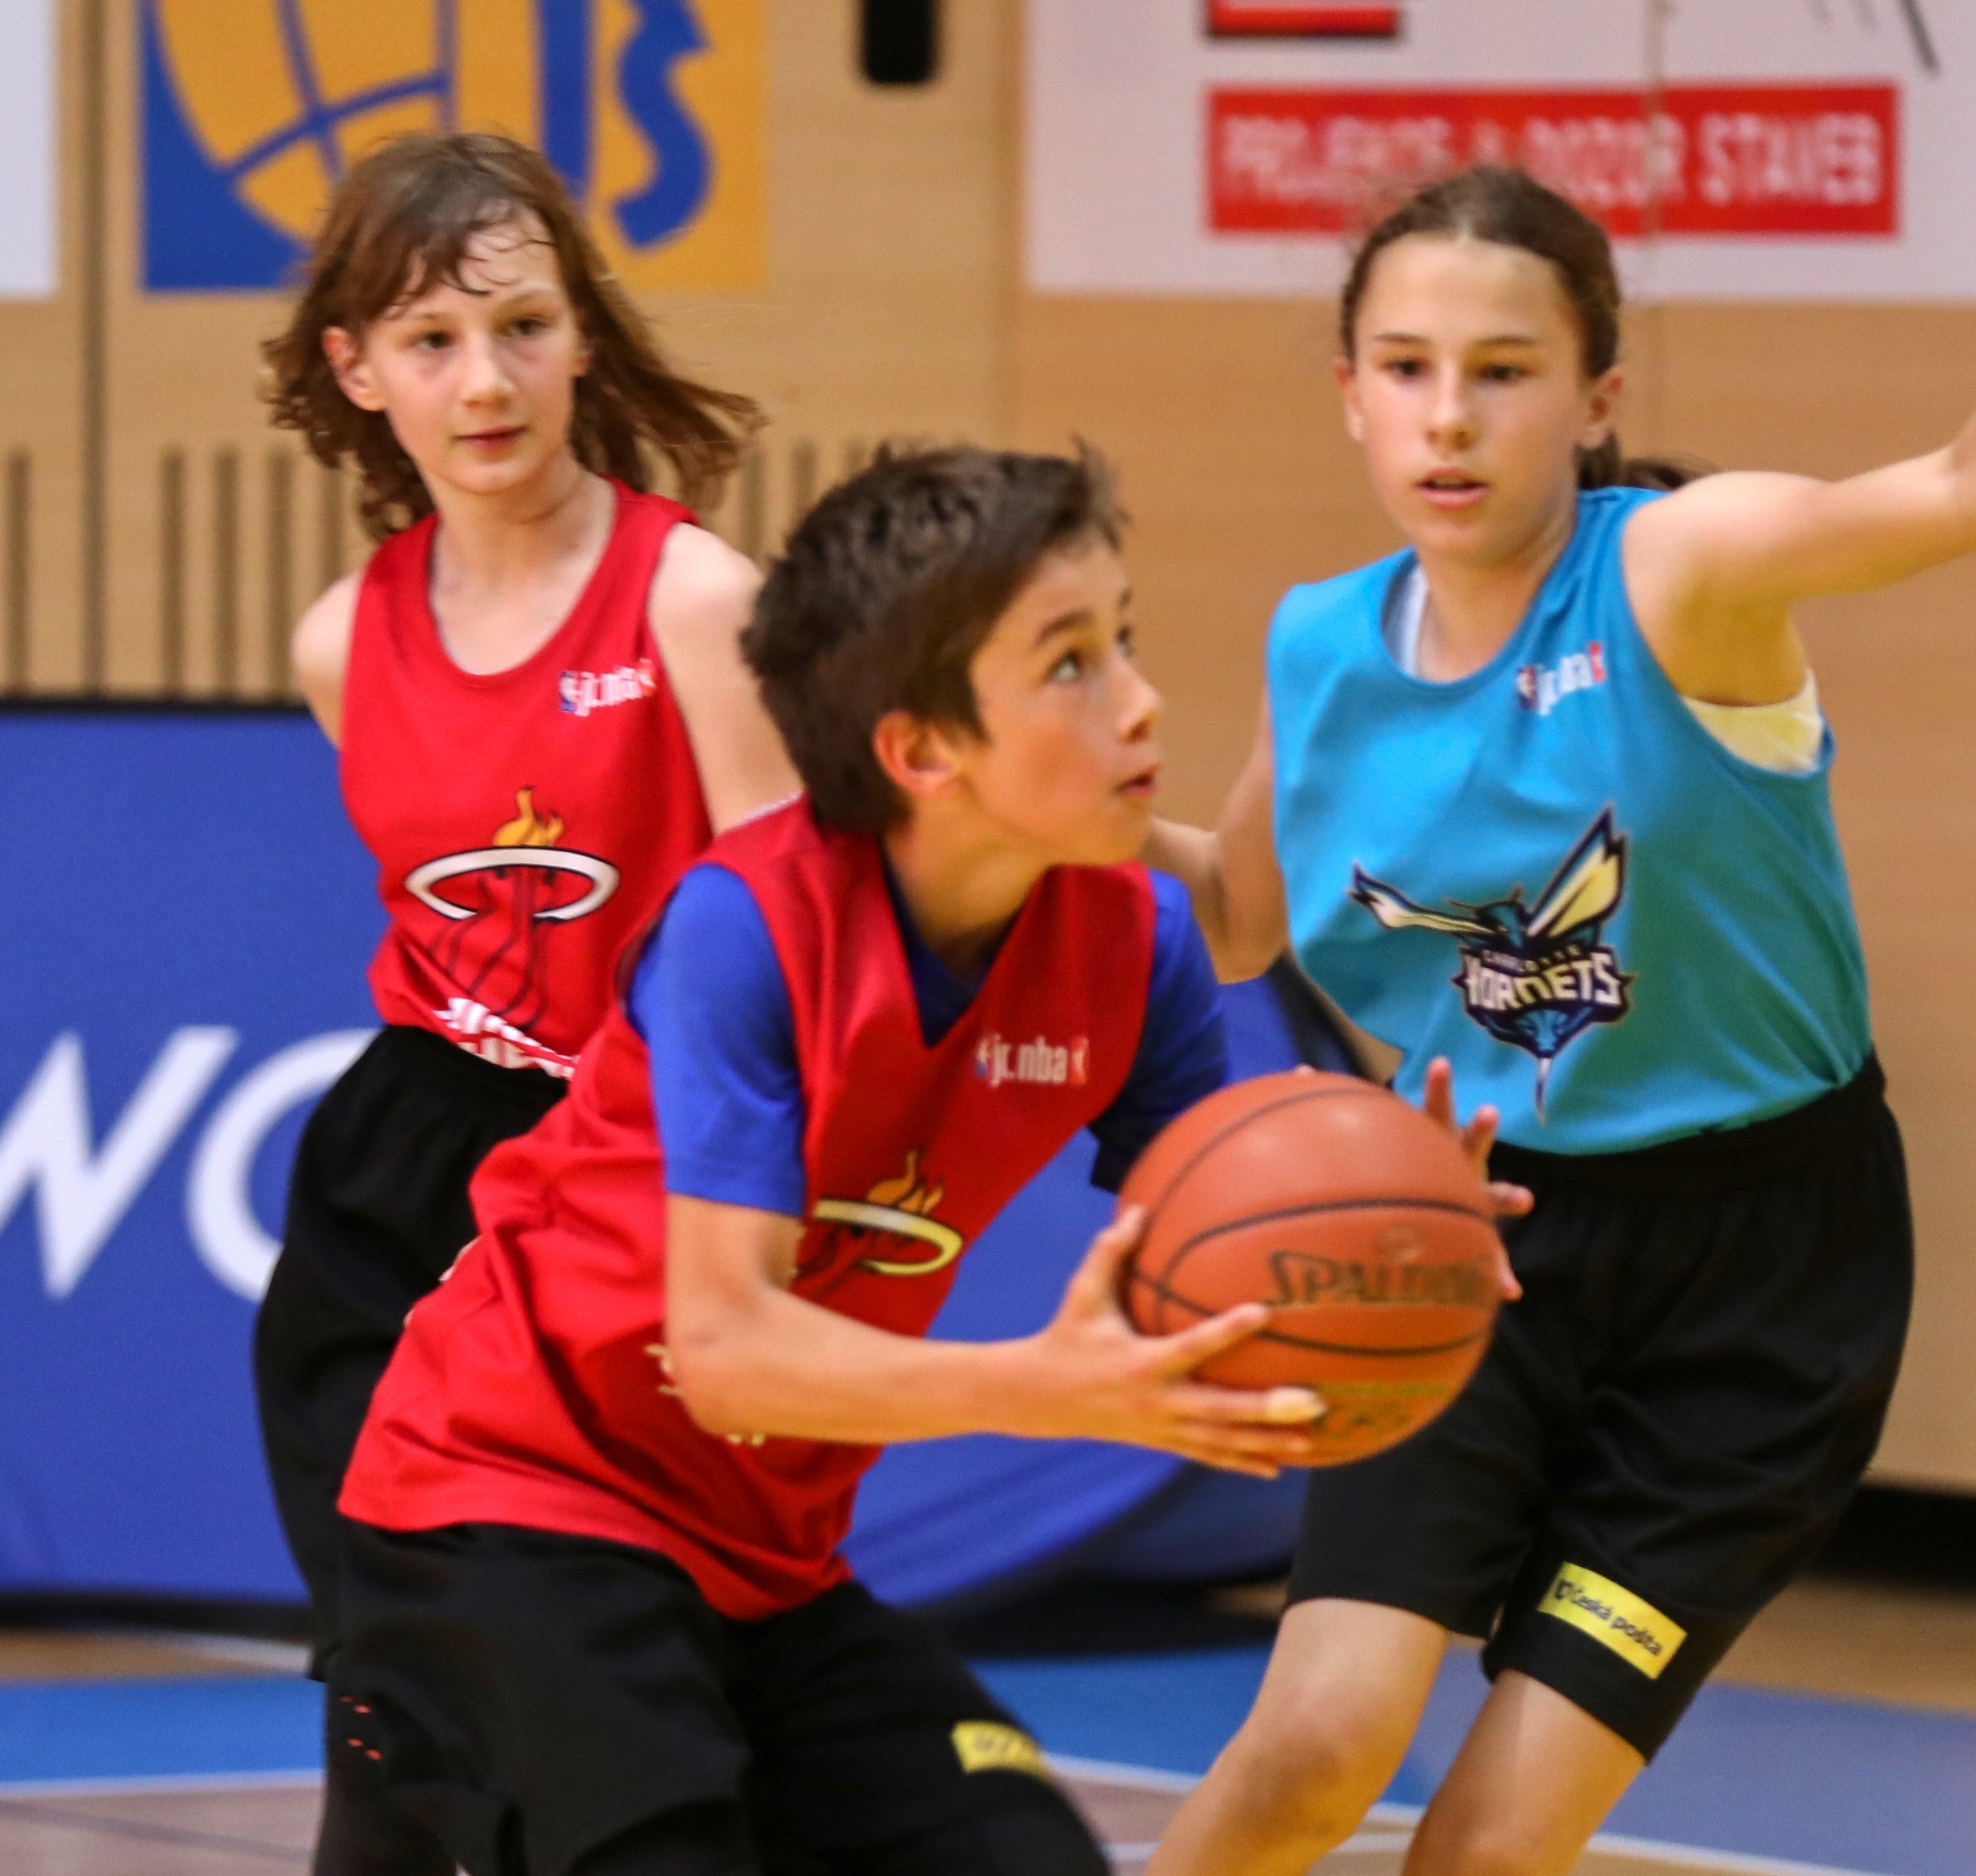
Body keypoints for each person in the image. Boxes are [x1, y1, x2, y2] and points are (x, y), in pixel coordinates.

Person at [1143, 156, 1976, 1876]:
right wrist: (1011, 794)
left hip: (1758, 1291)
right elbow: (1230, 911)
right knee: (1307, 1751)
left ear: (1596, 398)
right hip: (1471, 1242)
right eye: (1409, 367)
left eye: (1505, 370)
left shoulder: (1677, 569)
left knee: (1489, 1847)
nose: (1451, 415)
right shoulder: (1324, 644)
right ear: (1352, 392)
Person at [320, 445, 1522, 1876]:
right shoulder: (745, 928)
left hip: (764, 1567)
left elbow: (1211, 1243)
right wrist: (1046, 1386)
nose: (1140, 699)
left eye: (1122, 638)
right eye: (1069, 664)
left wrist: (1387, 1225)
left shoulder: (1135, 944)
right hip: (502, 1511)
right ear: (923, 752)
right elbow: (725, 1352)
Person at [250, 129, 797, 1857]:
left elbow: (797, 942)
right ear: (358, 370)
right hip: (409, 1165)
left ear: (581, 337)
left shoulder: (696, 600)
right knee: (390, 1673)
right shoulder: (342, 641)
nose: (484, 383)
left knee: (601, 1680)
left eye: (523, 328)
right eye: (432, 341)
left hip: (629, 1162)